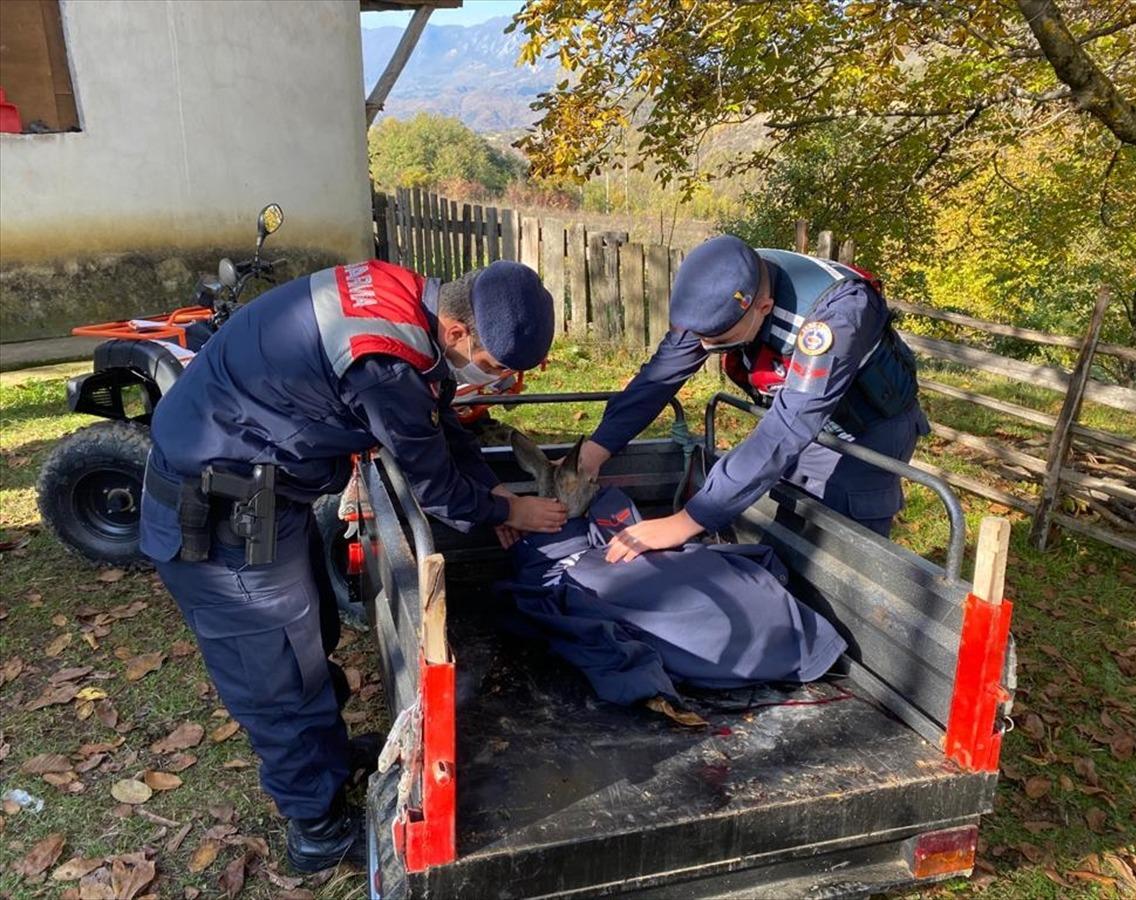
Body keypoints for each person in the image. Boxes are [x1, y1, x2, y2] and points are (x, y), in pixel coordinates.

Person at [138, 258, 566, 872]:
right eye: (495, 367)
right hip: (219, 513)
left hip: (266, 493)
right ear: (458, 333)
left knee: (312, 638)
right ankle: (316, 829)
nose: (494, 381)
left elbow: (439, 421)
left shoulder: (405, 300)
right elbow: (434, 480)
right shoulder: (383, 360)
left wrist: (493, 498)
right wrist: (507, 509)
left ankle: (330, 760)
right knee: (277, 672)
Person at [572, 235, 929, 563]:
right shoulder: (723, 287)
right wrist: (596, 449)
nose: (704, 348)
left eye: (719, 338)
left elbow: (788, 427)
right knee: (786, 524)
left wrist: (686, 521)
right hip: (800, 414)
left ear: (762, 306)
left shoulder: (834, 316)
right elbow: (659, 377)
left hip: (864, 434)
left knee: (837, 552)